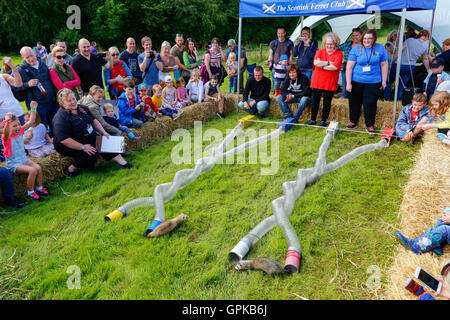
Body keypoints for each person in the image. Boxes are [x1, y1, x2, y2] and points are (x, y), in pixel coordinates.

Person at [53, 89, 133, 177]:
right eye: (69, 101)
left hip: (85, 137)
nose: (73, 102)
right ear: (62, 104)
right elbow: (64, 140)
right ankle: (70, 170)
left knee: (105, 142)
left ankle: (124, 164)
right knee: (92, 152)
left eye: (73, 99)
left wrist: (104, 132)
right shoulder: (60, 118)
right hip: (68, 145)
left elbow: (94, 121)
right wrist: (83, 147)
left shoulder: (82, 108)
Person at [2, 106, 49, 201]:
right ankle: (30, 192)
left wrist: (33, 109)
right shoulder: (6, 138)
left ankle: (39, 188)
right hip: (14, 163)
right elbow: (6, 131)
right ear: (7, 127)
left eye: (19, 124)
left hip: (24, 159)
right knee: (32, 170)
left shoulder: (20, 132)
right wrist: (7, 121)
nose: (18, 127)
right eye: (14, 126)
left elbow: (31, 122)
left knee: (38, 168)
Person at [346, 29, 388, 133]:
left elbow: (384, 65)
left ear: (374, 39)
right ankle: (353, 121)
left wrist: (384, 80)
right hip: (357, 81)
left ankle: (369, 125)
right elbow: (349, 67)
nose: (366, 40)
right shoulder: (356, 49)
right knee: (354, 102)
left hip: (373, 81)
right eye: (364, 38)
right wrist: (348, 83)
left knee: (370, 103)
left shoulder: (381, 48)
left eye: (369, 38)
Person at [17, 47, 58, 131]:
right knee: (42, 129)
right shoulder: (20, 70)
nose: (31, 59)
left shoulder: (42, 63)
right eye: (27, 57)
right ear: (22, 58)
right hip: (37, 106)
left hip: (52, 101)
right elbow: (15, 86)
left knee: (56, 125)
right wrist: (27, 84)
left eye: (32, 55)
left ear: (35, 53)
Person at [386, 30, 431, 101]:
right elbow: (425, 58)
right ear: (426, 37)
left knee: (388, 81)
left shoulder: (410, 40)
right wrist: (428, 69)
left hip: (399, 64)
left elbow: (399, 51)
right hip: (410, 67)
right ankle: (397, 100)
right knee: (402, 85)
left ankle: (387, 99)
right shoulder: (426, 46)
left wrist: (391, 62)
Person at [309, 32, 343, 127]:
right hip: (317, 81)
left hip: (330, 81)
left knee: (327, 103)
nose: (329, 46)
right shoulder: (320, 51)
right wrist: (328, 63)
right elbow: (316, 63)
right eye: (327, 44)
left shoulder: (339, 54)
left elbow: (335, 67)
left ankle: (323, 120)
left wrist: (322, 65)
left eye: (331, 44)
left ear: (336, 43)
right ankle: (313, 119)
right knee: (315, 101)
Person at [267, 27, 294, 93]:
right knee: (276, 84)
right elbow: (271, 54)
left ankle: (284, 96)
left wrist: (290, 62)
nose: (280, 35)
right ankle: (275, 97)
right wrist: (269, 61)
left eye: (282, 33)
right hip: (276, 67)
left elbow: (291, 54)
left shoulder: (289, 42)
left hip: (286, 67)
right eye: (279, 33)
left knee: (285, 84)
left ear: (285, 33)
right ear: (277, 33)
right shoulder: (273, 43)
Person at [338, 28, 362, 99]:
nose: (354, 37)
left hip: (358, 69)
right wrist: (341, 58)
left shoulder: (364, 46)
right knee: (345, 86)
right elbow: (335, 48)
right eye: (353, 35)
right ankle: (345, 99)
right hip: (345, 68)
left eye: (357, 35)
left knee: (356, 86)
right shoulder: (347, 44)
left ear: (361, 35)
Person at [0, 57, 24, 124]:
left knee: (23, 134)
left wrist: (12, 66)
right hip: (2, 119)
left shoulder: (4, 77)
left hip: (17, 113)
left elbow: (19, 84)